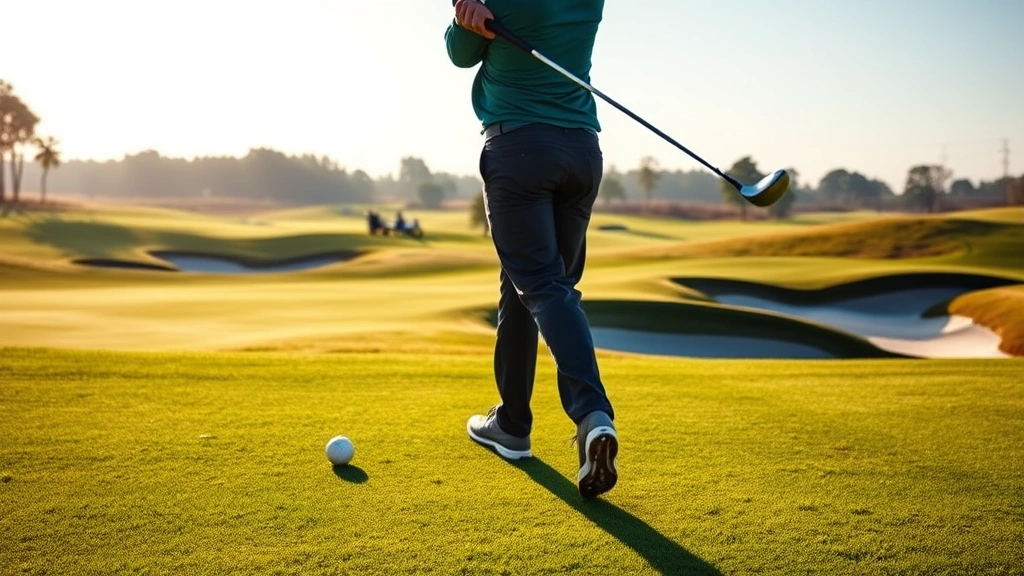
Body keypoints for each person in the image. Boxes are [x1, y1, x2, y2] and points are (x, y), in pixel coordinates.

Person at [446, 0, 618, 499]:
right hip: (582, 152)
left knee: (541, 285)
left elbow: (460, 53)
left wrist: (465, 14)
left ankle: (592, 414)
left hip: (519, 149)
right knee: (530, 285)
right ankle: (512, 423)